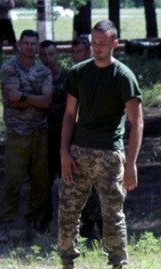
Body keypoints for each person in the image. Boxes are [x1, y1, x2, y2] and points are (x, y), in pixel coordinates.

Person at [57, 20, 143, 269]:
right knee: (68, 211)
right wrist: (64, 151)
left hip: (110, 156)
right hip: (79, 152)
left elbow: (137, 122)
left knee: (113, 214)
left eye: (102, 43)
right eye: (93, 43)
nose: (97, 48)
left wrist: (131, 164)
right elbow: (70, 115)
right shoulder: (78, 73)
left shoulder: (123, 76)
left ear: (114, 44)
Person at [0, 29, 53, 243]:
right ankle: (5, 225)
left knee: (41, 181)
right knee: (13, 180)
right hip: (17, 132)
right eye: (26, 43)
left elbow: (46, 102)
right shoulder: (9, 68)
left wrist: (24, 96)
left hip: (39, 131)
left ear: (38, 46)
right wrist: (32, 98)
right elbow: (12, 99)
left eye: (33, 43)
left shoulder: (43, 71)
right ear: (20, 45)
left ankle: (33, 224)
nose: (30, 47)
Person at [69, 36, 103, 241]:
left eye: (80, 51)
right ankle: (86, 226)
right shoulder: (73, 76)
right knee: (79, 186)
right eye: (74, 52)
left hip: (98, 140)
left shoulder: (99, 74)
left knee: (100, 187)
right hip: (76, 140)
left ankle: (102, 227)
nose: (76, 56)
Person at [39, 40, 68, 234]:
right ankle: (45, 219)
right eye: (44, 55)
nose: (48, 58)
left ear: (57, 55)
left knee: (69, 181)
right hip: (44, 135)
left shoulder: (68, 76)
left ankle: (73, 221)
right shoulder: (39, 76)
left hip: (65, 135)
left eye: (51, 54)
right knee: (44, 180)